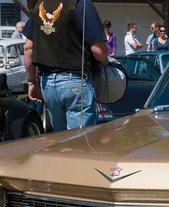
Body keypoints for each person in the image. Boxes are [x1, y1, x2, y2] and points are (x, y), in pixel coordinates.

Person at [23, 0, 109, 132]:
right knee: (79, 143)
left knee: (61, 141)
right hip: (75, 82)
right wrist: (105, 60)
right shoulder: (82, 5)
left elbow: (28, 48)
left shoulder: (40, 6)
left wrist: (31, 81)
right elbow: (99, 51)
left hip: (48, 84)